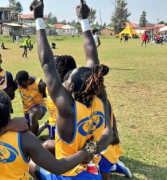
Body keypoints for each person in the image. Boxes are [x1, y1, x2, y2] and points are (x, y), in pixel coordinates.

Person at [30, 0, 113, 179]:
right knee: (49, 146)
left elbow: (47, 63)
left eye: (67, 81)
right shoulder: (99, 98)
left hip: (67, 175)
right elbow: (108, 134)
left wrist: (38, 19)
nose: (64, 81)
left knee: (31, 165)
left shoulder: (68, 109)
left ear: (72, 89)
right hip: (92, 174)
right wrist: (84, 19)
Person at [15, 70, 47, 136]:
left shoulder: (40, 84)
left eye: (23, 85)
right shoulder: (18, 81)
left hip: (40, 107)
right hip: (27, 110)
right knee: (26, 134)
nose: (21, 87)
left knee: (33, 114)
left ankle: (34, 141)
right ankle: (45, 124)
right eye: (20, 85)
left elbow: (46, 96)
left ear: (28, 80)